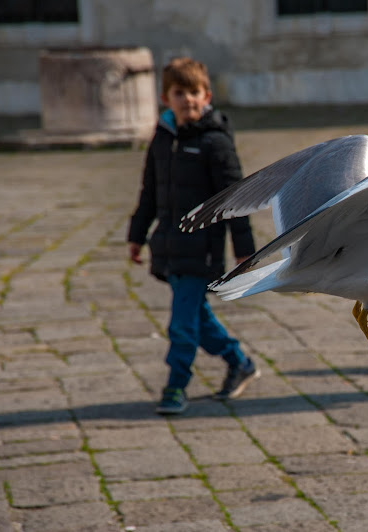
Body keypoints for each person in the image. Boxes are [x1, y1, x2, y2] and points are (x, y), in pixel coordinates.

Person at [127, 57, 259, 415]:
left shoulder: (214, 142)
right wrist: (136, 235)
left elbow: (236, 198)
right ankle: (239, 361)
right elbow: (150, 193)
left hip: (201, 250)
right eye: (179, 92)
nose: (187, 99)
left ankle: (175, 385)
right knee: (197, 317)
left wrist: (244, 249)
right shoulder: (162, 140)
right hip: (168, 247)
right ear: (164, 98)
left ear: (207, 96)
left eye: (194, 92)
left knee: (182, 324)